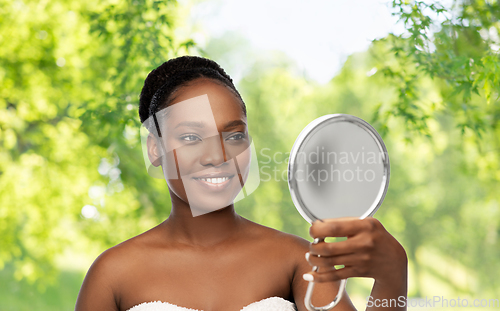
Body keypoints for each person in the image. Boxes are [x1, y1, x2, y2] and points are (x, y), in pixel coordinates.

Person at [75, 56, 408, 311]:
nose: (217, 155)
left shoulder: (296, 259)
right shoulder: (113, 274)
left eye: (233, 135)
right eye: (191, 137)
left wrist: (392, 277)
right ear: (155, 149)